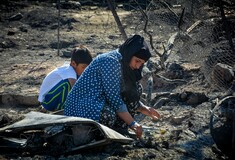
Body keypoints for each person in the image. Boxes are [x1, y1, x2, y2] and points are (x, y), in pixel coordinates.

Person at [64, 35, 160, 138]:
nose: (138, 66)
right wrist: (132, 124)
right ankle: (97, 136)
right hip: (81, 105)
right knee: (108, 115)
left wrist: (143, 108)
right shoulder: (111, 61)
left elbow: (127, 94)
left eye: (141, 63)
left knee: (136, 88)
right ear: (129, 54)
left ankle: (119, 130)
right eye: (137, 61)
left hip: (98, 101)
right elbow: (114, 99)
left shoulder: (124, 64)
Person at [38, 45, 93, 112]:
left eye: (87, 67)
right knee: (67, 84)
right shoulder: (69, 71)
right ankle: (60, 110)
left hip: (51, 99)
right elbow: (76, 89)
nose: (85, 70)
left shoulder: (75, 71)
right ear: (73, 63)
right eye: (83, 67)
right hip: (47, 101)